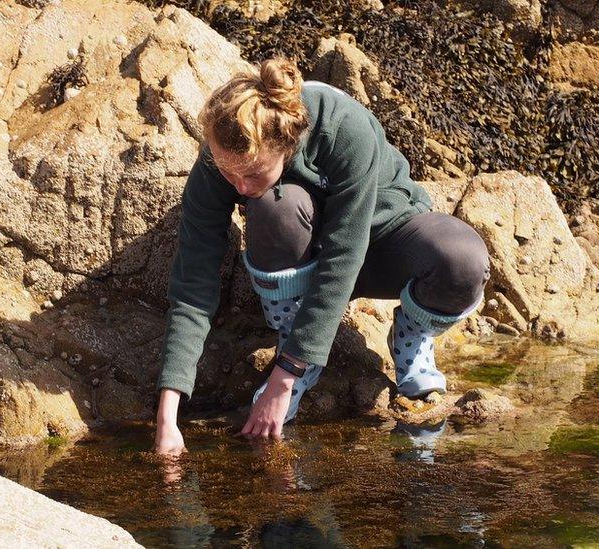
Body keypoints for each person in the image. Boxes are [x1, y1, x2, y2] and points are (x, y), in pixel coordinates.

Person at [153, 58, 490, 455]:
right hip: (305, 252)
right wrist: (168, 412)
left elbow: (343, 258)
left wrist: (284, 378)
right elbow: (194, 280)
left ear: (286, 145)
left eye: (253, 174)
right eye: (230, 176)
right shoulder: (223, 155)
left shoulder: (343, 128)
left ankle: (409, 336)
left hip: (382, 241)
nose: (239, 187)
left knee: (463, 262)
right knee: (273, 206)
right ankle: (293, 333)